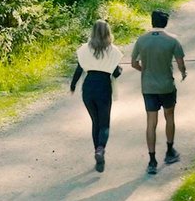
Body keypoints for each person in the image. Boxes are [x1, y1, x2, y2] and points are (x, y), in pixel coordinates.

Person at [130, 9, 186, 174]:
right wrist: (183, 73)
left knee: (151, 122)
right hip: (166, 86)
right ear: (165, 23)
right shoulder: (172, 40)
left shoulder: (141, 40)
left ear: (152, 21)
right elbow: (180, 63)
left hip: (148, 87)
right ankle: (169, 151)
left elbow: (133, 63)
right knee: (169, 117)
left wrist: (145, 71)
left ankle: (152, 160)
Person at [69, 19, 125, 172]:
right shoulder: (112, 50)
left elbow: (79, 69)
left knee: (95, 121)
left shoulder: (84, 49)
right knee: (104, 123)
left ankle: (97, 153)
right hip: (103, 87)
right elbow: (116, 73)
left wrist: (73, 86)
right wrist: (119, 70)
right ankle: (100, 149)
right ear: (108, 32)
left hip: (88, 88)